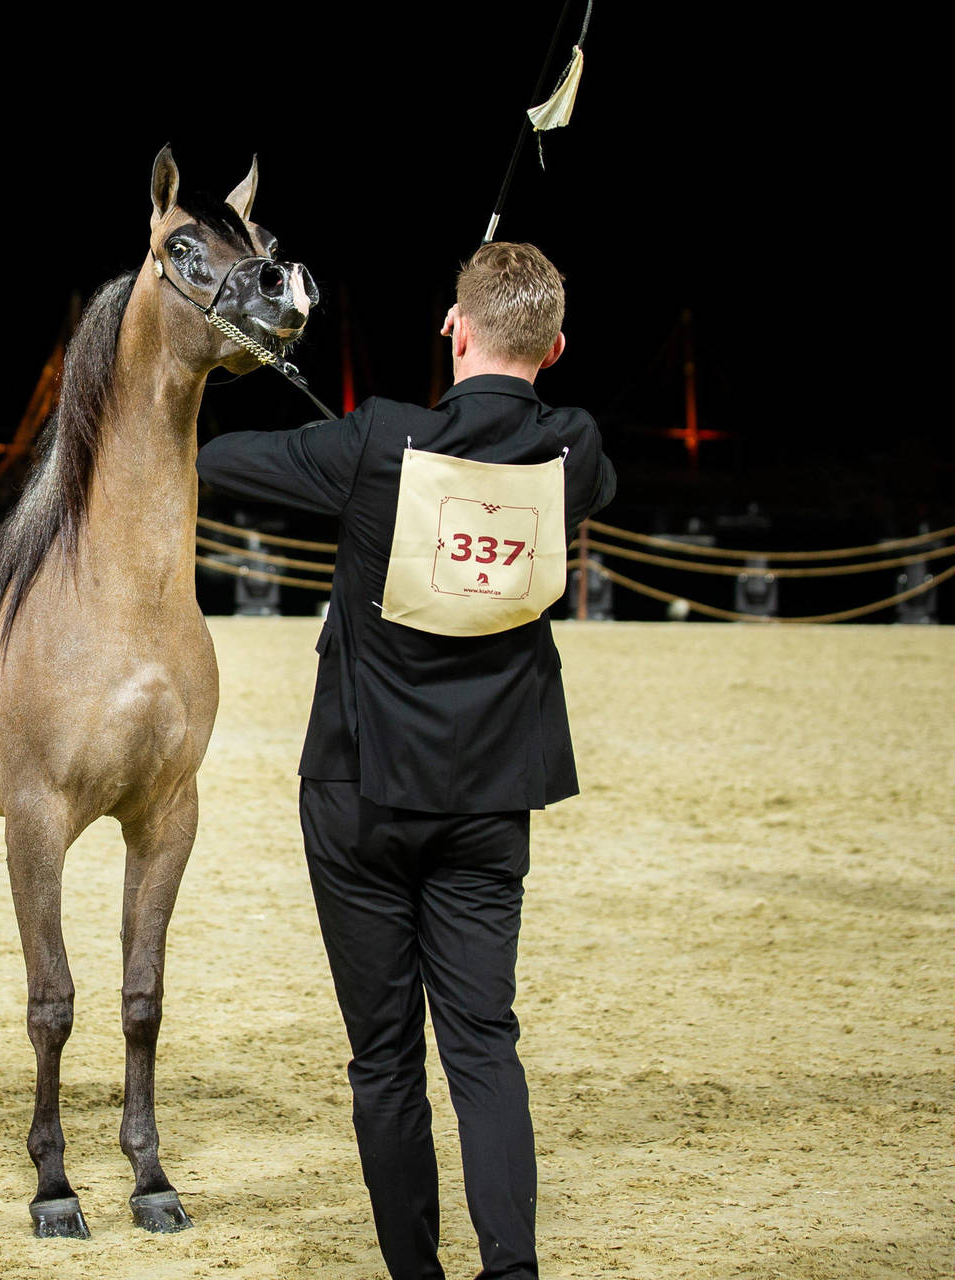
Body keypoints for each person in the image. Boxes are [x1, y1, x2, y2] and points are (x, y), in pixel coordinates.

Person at [196, 241, 616, 1280]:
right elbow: (547, 448)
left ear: (451, 328)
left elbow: (214, 462)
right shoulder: (574, 449)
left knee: (383, 1060)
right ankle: (510, 1270)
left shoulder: (377, 440)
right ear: (556, 347)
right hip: (487, 796)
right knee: (483, 1044)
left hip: (357, 790)